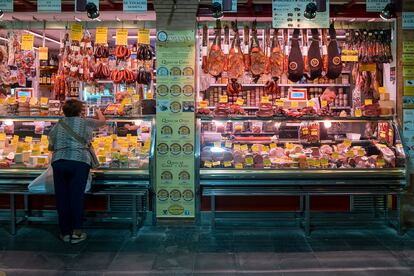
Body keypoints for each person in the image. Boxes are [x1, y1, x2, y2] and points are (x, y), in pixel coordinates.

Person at [48, 99, 106, 244]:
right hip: (80, 162)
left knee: (62, 197)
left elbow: (50, 147)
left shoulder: (58, 125)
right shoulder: (86, 122)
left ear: (64, 111)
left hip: (59, 162)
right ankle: (77, 232)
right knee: (76, 196)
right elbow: (102, 122)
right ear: (80, 111)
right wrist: (98, 110)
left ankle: (65, 232)